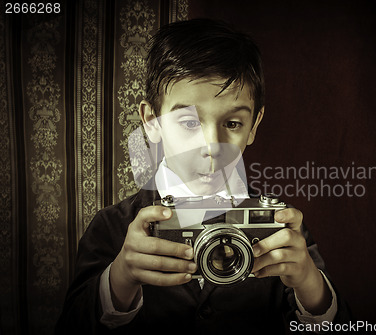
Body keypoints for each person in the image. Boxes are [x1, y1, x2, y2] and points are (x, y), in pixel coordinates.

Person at [56, 18, 351, 334]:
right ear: (152, 121)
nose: (212, 146)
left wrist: (309, 283)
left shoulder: (279, 225)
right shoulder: (111, 227)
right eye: (188, 122)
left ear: (254, 125)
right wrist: (120, 278)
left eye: (233, 123)